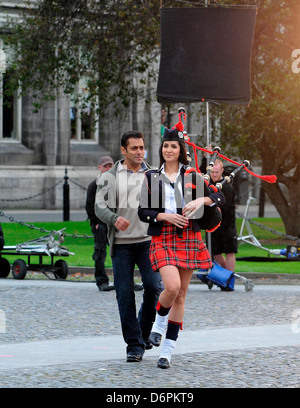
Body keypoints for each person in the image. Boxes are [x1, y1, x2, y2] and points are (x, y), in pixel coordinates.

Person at [138, 126, 224, 369]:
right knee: (172, 287)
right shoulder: (152, 177)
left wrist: (201, 199)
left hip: (188, 236)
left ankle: (167, 350)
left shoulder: (192, 175)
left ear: (181, 150)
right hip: (163, 236)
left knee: (182, 295)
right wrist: (165, 216)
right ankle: (157, 324)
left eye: (173, 146)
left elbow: (219, 198)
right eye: (165, 146)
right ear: (161, 149)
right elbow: (143, 212)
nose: (168, 150)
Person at [95, 131, 161, 363]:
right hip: (121, 246)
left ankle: (143, 334)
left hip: (148, 243)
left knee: (154, 287)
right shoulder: (109, 177)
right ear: (123, 150)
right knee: (125, 295)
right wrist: (114, 219)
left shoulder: (153, 175)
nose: (140, 152)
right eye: (134, 148)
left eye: (142, 147)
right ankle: (133, 345)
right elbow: (99, 207)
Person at [85, 156, 115, 291]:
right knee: (100, 252)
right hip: (101, 224)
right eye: (105, 167)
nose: (108, 169)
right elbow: (89, 206)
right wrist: (96, 222)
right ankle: (101, 281)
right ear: (100, 168)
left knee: (122, 253)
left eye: (110, 166)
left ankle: (126, 282)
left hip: (115, 223)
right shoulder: (94, 185)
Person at [207, 158, 238, 272]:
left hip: (227, 224)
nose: (214, 175)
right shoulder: (209, 184)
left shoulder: (227, 186)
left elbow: (224, 207)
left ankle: (229, 278)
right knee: (215, 253)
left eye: (217, 172)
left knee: (229, 252)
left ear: (222, 171)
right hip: (213, 225)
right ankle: (226, 276)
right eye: (212, 172)